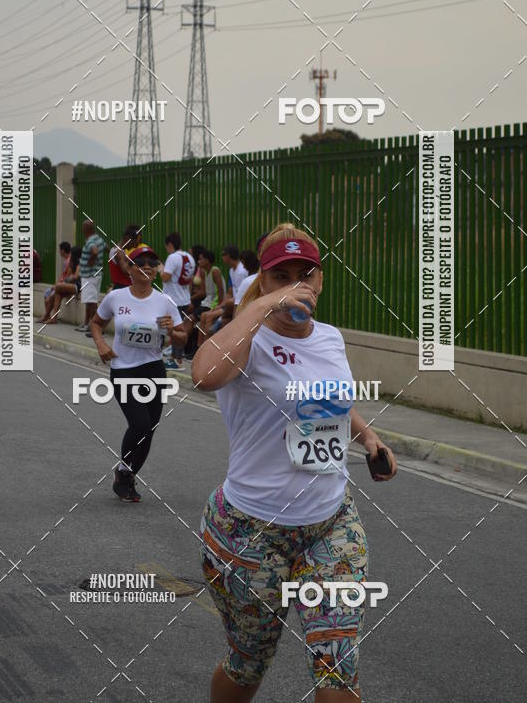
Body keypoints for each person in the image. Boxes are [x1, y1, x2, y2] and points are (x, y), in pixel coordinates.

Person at [193, 223, 397, 702]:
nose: (295, 285)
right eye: (280, 276)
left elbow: (331, 401)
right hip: (249, 532)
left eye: (305, 274)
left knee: (338, 668)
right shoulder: (246, 341)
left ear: (320, 279)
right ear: (262, 280)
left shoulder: (330, 338)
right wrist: (263, 306)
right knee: (248, 664)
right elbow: (204, 375)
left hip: (331, 524)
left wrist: (369, 438)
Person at [90, 245, 187, 502]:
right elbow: (96, 323)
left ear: (156, 270)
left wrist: (172, 330)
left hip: (153, 369)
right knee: (140, 424)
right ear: (129, 269)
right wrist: (101, 345)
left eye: (152, 263)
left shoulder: (165, 301)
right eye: (140, 262)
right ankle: (125, 473)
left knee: (150, 429)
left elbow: (183, 336)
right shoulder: (116, 297)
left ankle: (127, 474)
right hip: (123, 370)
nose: (146, 266)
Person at [159, 231, 195, 371]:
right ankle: (175, 358)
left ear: (170, 244)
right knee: (177, 329)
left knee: (171, 330)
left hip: (172, 300)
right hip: (184, 299)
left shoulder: (173, 258)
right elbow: (189, 280)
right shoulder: (189, 258)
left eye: (166, 246)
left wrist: (160, 269)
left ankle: (176, 360)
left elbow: (165, 277)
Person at [40, 245, 81, 324]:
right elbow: (70, 276)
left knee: (58, 286)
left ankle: (48, 309)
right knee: (58, 294)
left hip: (77, 286)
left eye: (71, 253)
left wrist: (69, 278)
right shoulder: (72, 263)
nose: (70, 254)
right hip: (71, 285)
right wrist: (68, 278)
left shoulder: (80, 262)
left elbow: (75, 276)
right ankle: (53, 318)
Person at [77, 220, 105, 335]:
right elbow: (107, 248)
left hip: (90, 275)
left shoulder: (91, 241)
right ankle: (86, 324)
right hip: (95, 274)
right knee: (89, 301)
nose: (82, 229)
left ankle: (97, 327)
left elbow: (94, 251)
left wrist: (91, 261)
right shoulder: (99, 239)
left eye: (83, 227)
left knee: (92, 302)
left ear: (86, 229)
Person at [196, 250, 226, 348]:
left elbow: (221, 290)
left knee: (204, 316)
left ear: (207, 260)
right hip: (209, 302)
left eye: (201, 259)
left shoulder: (215, 271)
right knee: (202, 316)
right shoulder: (205, 272)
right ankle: (199, 347)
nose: (199, 261)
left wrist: (219, 306)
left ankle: (205, 347)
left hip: (216, 303)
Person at [108, 224, 144, 290]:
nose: (135, 246)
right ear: (128, 239)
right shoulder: (119, 253)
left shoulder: (116, 250)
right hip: (123, 288)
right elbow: (127, 271)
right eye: (135, 242)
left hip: (122, 287)